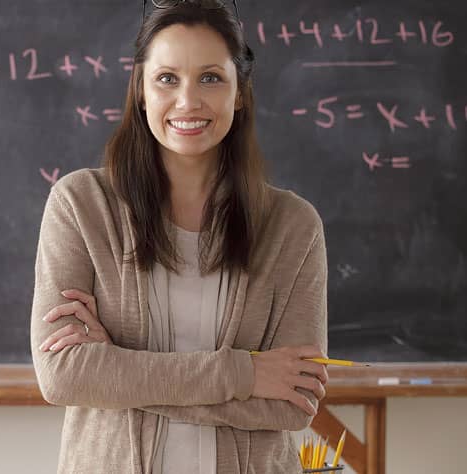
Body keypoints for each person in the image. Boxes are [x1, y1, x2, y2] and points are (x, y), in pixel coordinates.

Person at [29, 1, 329, 473]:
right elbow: (64, 376)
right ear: (142, 91)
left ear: (240, 93)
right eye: (168, 78)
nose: (188, 101)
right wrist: (244, 374)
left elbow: (291, 404)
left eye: (210, 77)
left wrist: (118, 374)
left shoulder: (293, 226)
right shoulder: (81, 205)